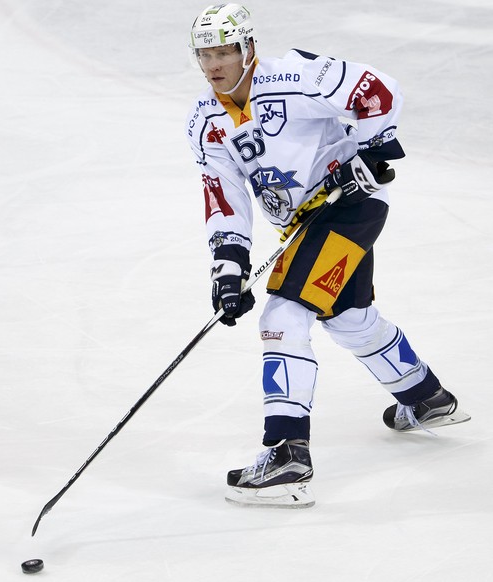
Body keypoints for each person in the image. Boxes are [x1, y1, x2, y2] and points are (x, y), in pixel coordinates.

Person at [185, 3, 470, 508]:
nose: (214, 64)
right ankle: (426, 399)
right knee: (350, 317)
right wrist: (227, 266)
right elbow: (224, 195)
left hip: (350, 206)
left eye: (224, 51)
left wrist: (370, 149)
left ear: (248, 47)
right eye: (205, 53)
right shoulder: (205, 123)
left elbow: (377, 89)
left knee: (284, 316)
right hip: (304, 226)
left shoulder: (294, 74)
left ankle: (288, 453)